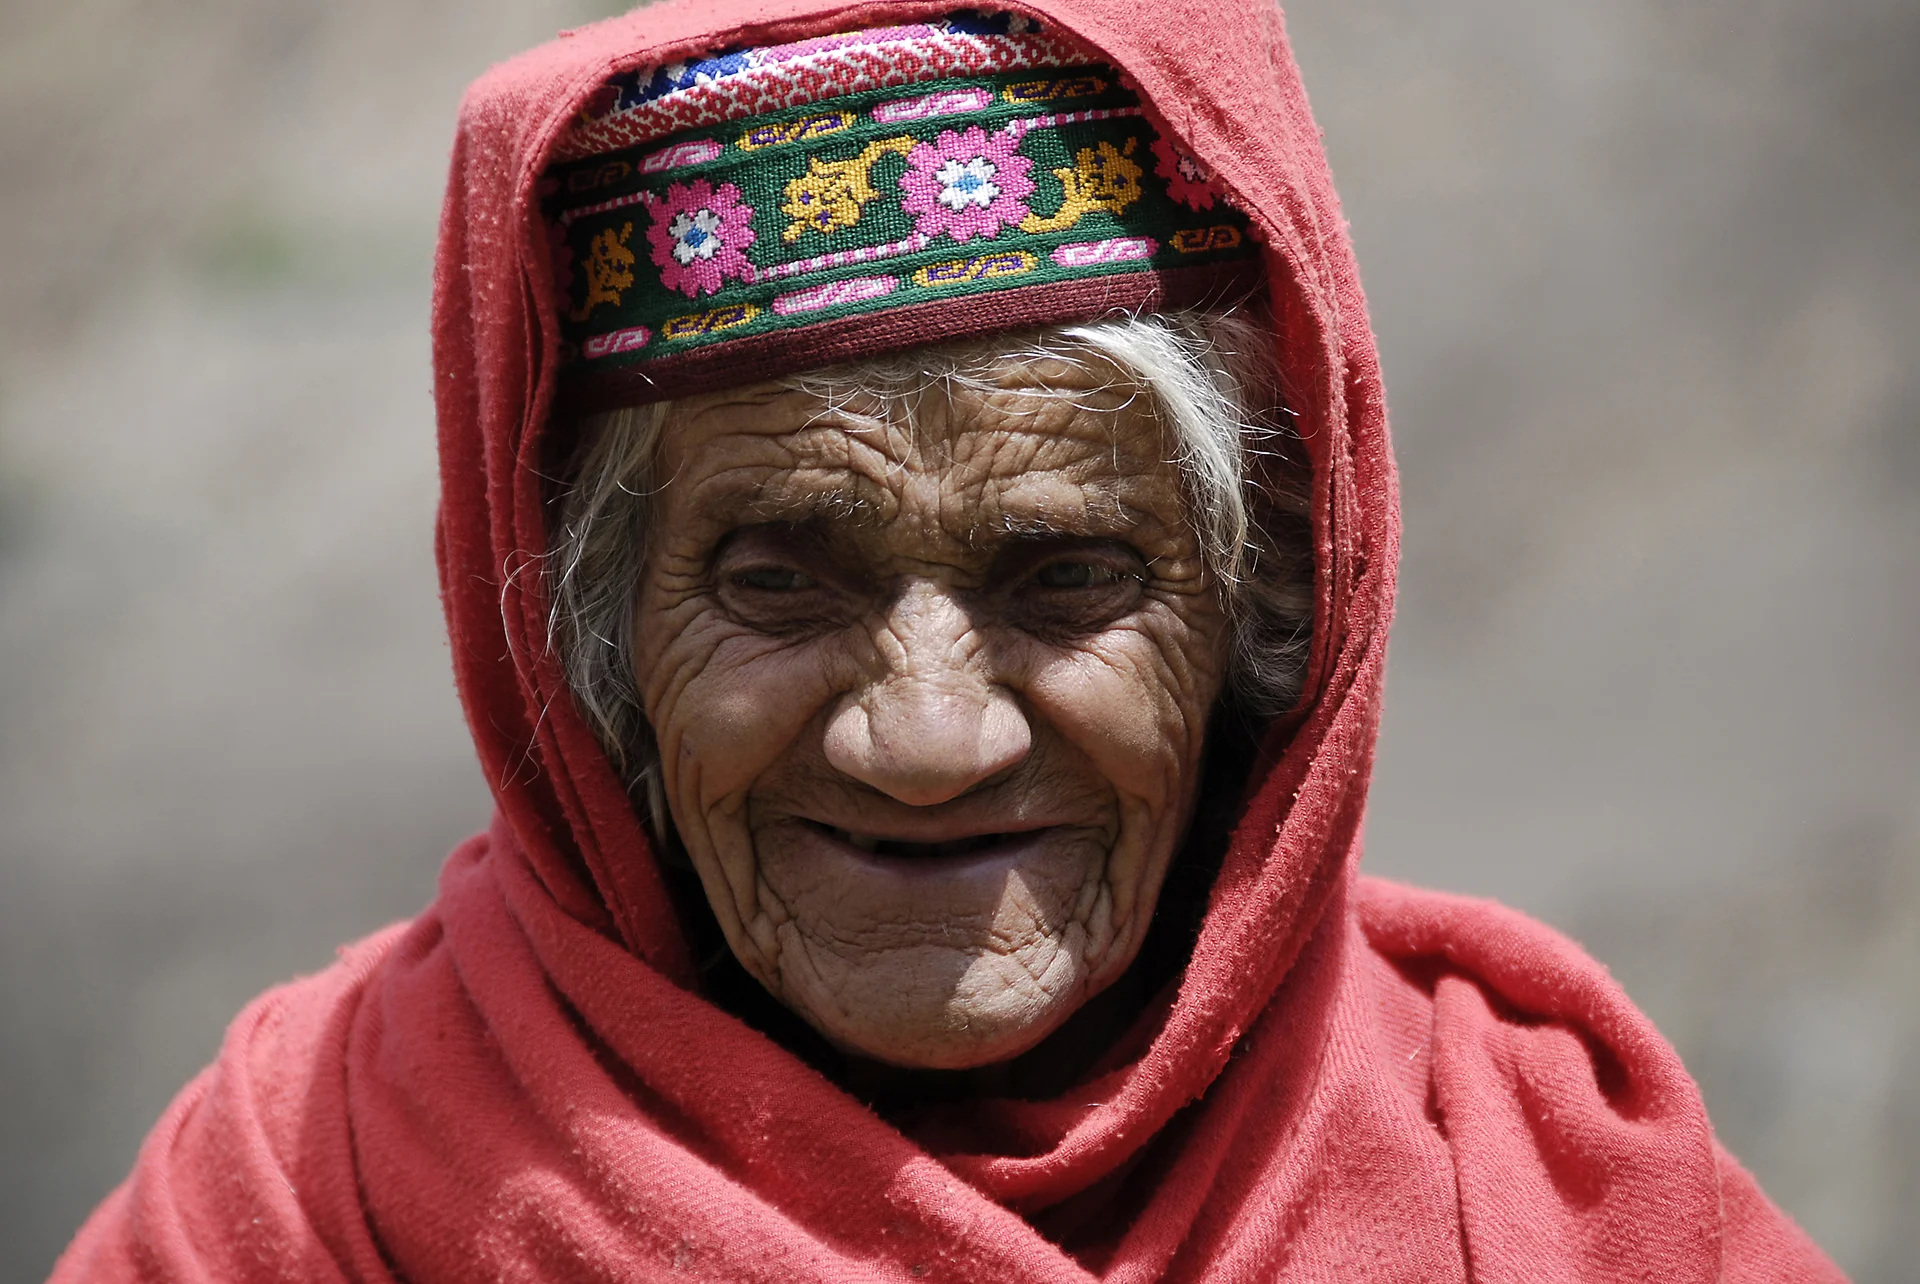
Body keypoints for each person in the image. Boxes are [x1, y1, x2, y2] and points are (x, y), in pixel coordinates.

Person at [51, 1, 1845, 1280]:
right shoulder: (316, 1190)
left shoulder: (1550, 1186)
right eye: (777, 580)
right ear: (587, 647)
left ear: (1263, 614)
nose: (928, 741)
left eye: (1068, 579)